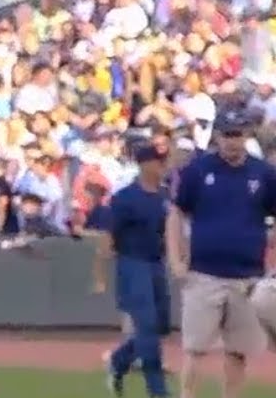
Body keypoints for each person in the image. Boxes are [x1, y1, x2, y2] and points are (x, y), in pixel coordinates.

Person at [167, 108, 276, 398]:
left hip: (247, 277)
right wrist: (176, 259)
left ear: (247, 135)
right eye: (227, 134)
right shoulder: (199, 169)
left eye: (237, 134)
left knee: (238, 351)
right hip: (204, 273)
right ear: (217, 136)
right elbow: (176, 212)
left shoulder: (263, 173)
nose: (232, 141)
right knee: (195, 349)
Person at [95, 142, 171, 398]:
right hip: (132, 263)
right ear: (144, 163)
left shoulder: (164, 196)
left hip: (156, 263)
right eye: (158, 161)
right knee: (147, 327)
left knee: (160, 326)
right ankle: (157, 391)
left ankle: (118, 361)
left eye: (163, 161)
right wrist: (101, 275)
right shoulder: (125, 197)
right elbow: (107, 238)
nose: (162, 165)